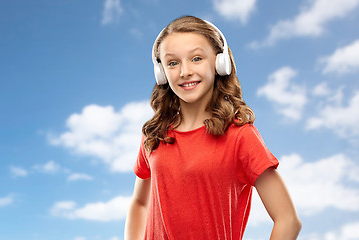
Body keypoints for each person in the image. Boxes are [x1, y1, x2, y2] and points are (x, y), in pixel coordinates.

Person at [124, 16, 301, 240]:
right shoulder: (155, 134)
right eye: (172, 63)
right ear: (161, 72)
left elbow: (288, 220)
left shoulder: (240, 136)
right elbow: (140, 203)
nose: (184, 71)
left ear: (219, 63)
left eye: (196, 58)